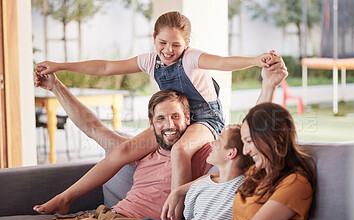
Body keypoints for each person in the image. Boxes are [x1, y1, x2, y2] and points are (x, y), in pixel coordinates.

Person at [35, 11, 274, 198]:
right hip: (175, 117)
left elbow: (222, 62)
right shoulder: (151, 61)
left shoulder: (190, 58)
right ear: (153, 38)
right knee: (124, 150)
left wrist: (256, 60)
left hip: (205, 118)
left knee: (180, 150)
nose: (168, 50)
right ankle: (67, 197)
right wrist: (60, 66)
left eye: (176, 45)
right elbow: (105, 67)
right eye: (162, 43)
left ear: (187, 43)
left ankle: (174, 209)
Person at [96, 67, 316, 220]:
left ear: (272, 141)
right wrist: (180, 190)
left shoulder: (294, 183)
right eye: (246, 143)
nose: (246, 149)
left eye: (250, 143)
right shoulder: (259, 171)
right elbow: (251, 127)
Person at [0, 87, 213, 220]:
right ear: (151, 124)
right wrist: (55, 85)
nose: (169, 125)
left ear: (187, 118)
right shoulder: (141, 149)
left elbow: (231, 164)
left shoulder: (200, 152)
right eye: (161, 119)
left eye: (176, 117)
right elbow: (92, 127)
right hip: (107, 215)